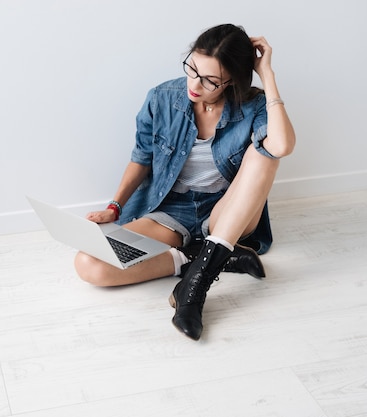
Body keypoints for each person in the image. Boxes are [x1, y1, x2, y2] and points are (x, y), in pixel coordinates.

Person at [74, 24, 295, 340]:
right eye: (192, 68)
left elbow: (283, 146)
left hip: (227, 211)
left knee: (266, 152)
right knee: (89, 263)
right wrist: (114, 207)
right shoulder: (163, 98)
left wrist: (268, 76)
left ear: (232, 80)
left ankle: (194, 287)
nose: (195, 84)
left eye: (210, 80)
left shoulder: (253, 105)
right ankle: (198, 258)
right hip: (171, 211)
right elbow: (142, 158)